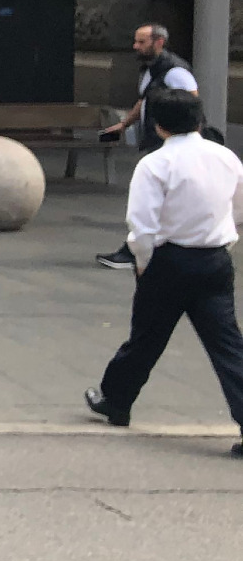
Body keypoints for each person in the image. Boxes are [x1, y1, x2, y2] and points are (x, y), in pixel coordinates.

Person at [84, 89, 243, 460]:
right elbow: (238, 208)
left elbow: (142, 227)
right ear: (200, 121)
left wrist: (143, 263)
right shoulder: (226, 158)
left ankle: (117, 400)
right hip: (215, 259)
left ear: (157, 125)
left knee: (146, 337)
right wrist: (224, 241)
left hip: (169, 261)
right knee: (227, 344)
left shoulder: (155, 165)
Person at [97, 23, 200, 270]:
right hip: (157, 139)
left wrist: (189, 137)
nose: (136, 46)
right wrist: (124, 124)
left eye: (141, 42)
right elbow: (144, 99)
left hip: (169, 142)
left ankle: (134, 251)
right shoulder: (150, 69)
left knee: (153, 197)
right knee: (158, 197)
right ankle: (147, 249)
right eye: (136, 41)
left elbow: (192, 104)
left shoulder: (175, 71)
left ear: (159, 43)